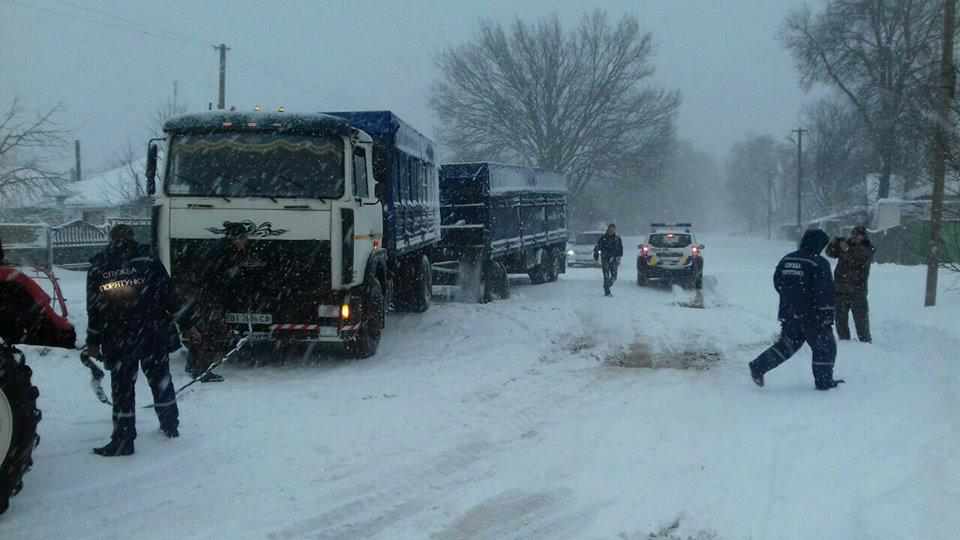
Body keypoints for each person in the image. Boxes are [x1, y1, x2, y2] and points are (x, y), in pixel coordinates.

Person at [86, 225, 181, 456]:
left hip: (119, 336)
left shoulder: (101, 265)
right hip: (152, 332)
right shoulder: (149, 260)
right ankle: (170, 426)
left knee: (123, 389)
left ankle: (123, 439)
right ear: (131, 238)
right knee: (160, 380)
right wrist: (181, 321)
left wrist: (93, 340)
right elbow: (169, 294)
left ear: (111, 239)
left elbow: (95, 308)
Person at [749, 229, 844, 391]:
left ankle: (759, 366)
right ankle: (824, 382)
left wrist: (791, 298)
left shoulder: (787, 259)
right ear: (817, 243)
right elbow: (825, 292)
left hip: (789, 313)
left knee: (787, 346)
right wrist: (826, 314)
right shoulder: (818, 263)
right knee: (825, 347)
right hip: (813, 316)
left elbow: (777, 283)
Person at [0, 238, 76, 349]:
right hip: (21, 342)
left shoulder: (13, 278)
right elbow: (44, 308)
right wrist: (66, 330)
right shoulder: (14, 278)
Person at [826, 225, 875, 343]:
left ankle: (867, 345)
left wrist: (846, 250)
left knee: (861, 323)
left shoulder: (868, 248)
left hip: (858, 292)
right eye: (853, 234)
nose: (854, 237)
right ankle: (845, 344)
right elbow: (830, 253)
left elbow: (857, 260)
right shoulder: (847, 245)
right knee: (840, 322)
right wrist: (833, 244)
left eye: (857, 235)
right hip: (840, 290)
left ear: (863, 237)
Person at [593, 224, 623, 296]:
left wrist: (619, 257)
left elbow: (620, 249)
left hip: (614, 259)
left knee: (614, 276)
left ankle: (607, 285)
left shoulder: (617, 238)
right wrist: (596, 255)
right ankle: (607, 291)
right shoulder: (603, 238)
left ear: (615, 230)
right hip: (605, 258)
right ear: (608, 229)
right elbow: (597, 247)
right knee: (606, 275)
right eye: (610, 229)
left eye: (613, 229)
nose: (611, 231)